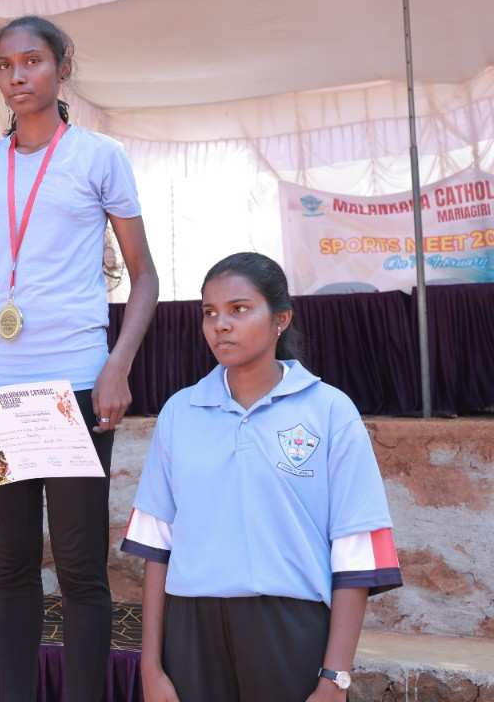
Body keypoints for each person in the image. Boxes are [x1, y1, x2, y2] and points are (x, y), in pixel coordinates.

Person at [0, 15, 160, 701]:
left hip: (75, 387)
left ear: (62, 66)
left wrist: (117, 365)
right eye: (5, 64)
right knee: (9, 569)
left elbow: (144, 276)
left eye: (32, 61)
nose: (17, 76)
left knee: (80, 570)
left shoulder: (99, 157)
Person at [123, 253, 403, 702]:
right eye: (209, 313)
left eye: (239, 309)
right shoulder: (179, 413)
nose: (221, 325)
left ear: (281, 319)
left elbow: (355, 554)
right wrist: (151, 667)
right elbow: (157, 549)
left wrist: (335, 677)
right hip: (190, 631)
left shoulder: (330, 411)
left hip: (292, 628)